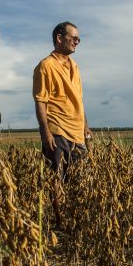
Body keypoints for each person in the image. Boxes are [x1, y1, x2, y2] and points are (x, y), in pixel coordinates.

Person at [33, 22, 93, 226]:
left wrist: (85, 125)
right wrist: (45, 132)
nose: (77, 41)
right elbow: (41, 100)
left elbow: (79, 99)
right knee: (57, 177)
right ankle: (61, 222)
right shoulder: (45, 66)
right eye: (73, 37)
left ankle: (75, 218)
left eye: (78, 38)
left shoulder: (75, 67)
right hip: (57, 129)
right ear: (59, 38)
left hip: (77, 132)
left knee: (78, 178)